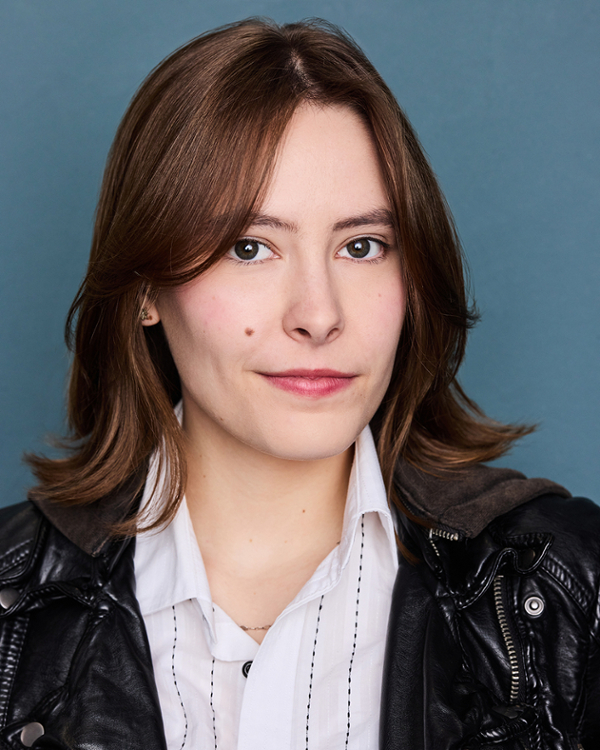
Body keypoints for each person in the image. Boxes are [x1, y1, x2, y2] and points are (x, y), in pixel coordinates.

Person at [0, 17, 598, 750]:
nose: (319, 315)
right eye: (250, 247)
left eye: (362, 246)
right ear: (146, 288)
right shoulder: (11, 611)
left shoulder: (568, 585)